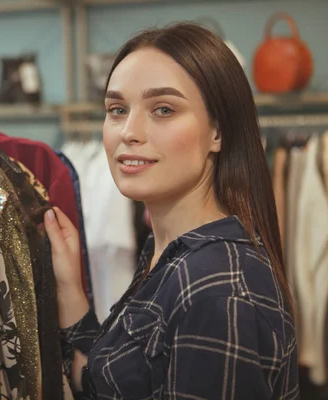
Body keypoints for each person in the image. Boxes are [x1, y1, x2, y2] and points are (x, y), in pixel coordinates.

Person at [44, 23, 299, 399]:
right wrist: (69, 288)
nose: (128, 131)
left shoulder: (217, 291)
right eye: (117, 109)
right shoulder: (170, 253)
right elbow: (107, 384)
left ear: (218, 131)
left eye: (163, 109)